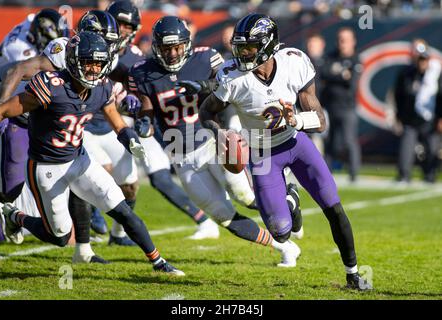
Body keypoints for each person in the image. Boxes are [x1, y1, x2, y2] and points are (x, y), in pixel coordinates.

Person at [199, 13, 371, 290]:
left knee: (333, 206)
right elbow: (207, 109)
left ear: (267, 45)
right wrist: (220, 133)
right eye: (240, 46)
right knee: (280, 233)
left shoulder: (294, 62)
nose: (242, 53)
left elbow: (321, 120)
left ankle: (352, 274)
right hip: (262, 153)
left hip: (296, 144)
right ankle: (291, 199)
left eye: (250, 47)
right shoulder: (232, 77)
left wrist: (298, 119)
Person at [0, 31, 184, 276]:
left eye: (99, 63)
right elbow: (4, 110)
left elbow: (118, 123)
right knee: (60, 236)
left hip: (79, 159)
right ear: (73, 62)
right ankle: (15, 217)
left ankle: (159, 263)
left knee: (121, 208)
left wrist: (130, 140)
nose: (94, 69)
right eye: (88, 63)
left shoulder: (101, 89)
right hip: (46, 167)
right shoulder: (51, 86)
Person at [126, 15, 302, 268]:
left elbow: (230, 86)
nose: (173, 53)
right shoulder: (142, 72)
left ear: (186, 43)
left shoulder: (205, 57)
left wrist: (202, 86)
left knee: (247, 197)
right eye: (167, 48)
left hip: (211, 142)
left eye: (177, 47)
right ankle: (286, 248)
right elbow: (146, 109)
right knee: (223, 217)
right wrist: (142, 121)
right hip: (179, 153)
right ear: (157, 47)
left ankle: (288, 198)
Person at [105, 1, 220, 241]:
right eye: (119, 24)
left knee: (148, 178)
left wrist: (130, 106)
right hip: (97, 123)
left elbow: (134, 98)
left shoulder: (136, 60)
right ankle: (105, 232)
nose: (123, 30)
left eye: (128, 25)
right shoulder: (94, 50)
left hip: (134, 126)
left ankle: (203, 219)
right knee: (114, 180)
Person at [0, 8, 69, 245]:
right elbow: (17, 72)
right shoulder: (21, 51)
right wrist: (1, 111)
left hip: (12, 106)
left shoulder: (33, 24)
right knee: (6, 187)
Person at [394, 39, 442, 183]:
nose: (422, 62)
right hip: (411, 118)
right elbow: (399, 95)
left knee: (431, 149)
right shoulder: (406, 74)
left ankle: (430, 175)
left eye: (424, 59)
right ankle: (404, 175)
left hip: (430, 119)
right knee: (406, 149)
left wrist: (440, 117)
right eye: (419, 59)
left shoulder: (436, 74)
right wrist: (399, 115)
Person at [321, 27, 362, 182]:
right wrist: (341, 76)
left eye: (345, 39)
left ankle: (353, 173)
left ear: (353, 41)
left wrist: (333, 77)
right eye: (340, 39)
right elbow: (324, 73)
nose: (342, 43)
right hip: (330, 106)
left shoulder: (356, 59)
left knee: (349, 141)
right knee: (330, 141)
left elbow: (351, 83)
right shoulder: (331, 57)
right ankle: (328, 172)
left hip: (347, 107)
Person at [303, 33, 328, 155]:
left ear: (322, 45)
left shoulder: (326, 62)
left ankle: (320, 163)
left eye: (314, 44)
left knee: (319, 136)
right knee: (302, 137)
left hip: (321, 106)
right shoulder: (302, 61)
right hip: (303, 106)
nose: (311, 47)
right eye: (310, 44)